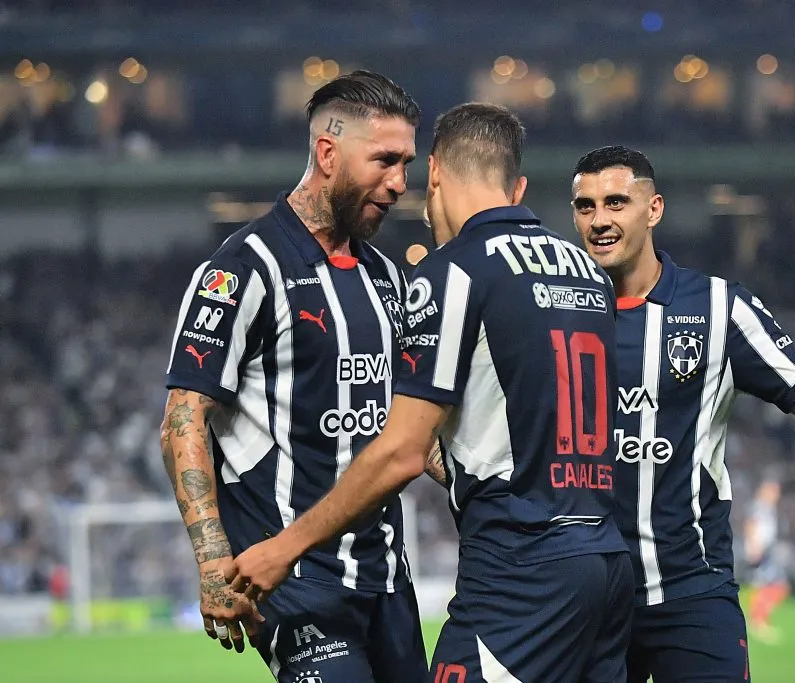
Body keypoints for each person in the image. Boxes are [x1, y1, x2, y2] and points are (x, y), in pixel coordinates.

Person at [226, 103, 634, 683]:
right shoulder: (586, 272)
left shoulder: (453, 272)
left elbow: (401, 453)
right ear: (516, 187)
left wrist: (284, 547)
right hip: (606, 557)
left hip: (521, 567)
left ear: (436, 172)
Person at [569, 145, 795, 683]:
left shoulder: (717, 306)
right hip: (587, 594)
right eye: (585, 206)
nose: (600, 220)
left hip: (691, 590)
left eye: (616, 202)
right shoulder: (555, 309)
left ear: (654, 209)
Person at [159, 70, 430, 682]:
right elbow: (183, 418)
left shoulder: (388, 277)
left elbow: (411, 430)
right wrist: (212, 565)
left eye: (406, 163)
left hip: (386, 578)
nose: (399, 184)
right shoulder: (242, 269)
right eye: (384, 160)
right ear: (327, 153)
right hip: (296, 582)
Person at [743, 479, 788, 643]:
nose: (777, 495)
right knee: (773, 585)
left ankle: (758, 620)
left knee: (768, 585)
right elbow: (750, 524)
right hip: (761, 551)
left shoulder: (767, 508)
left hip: (766, 550)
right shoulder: (760, 506)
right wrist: (755, 547)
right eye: (774, 491)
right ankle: (758, 621)